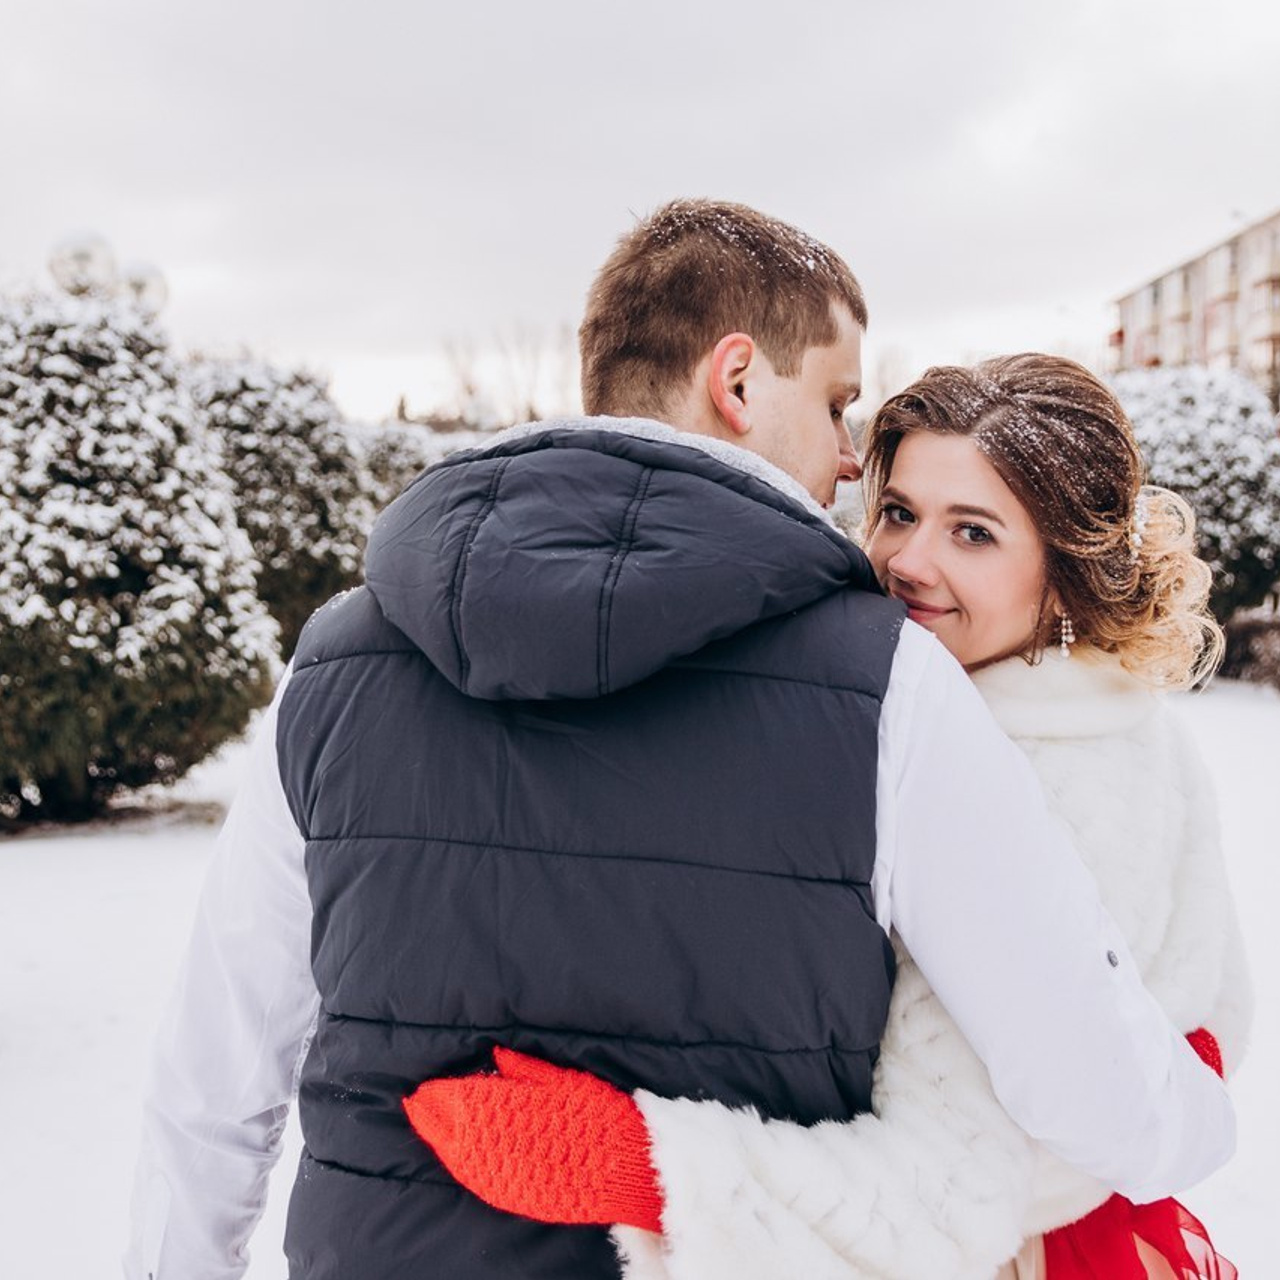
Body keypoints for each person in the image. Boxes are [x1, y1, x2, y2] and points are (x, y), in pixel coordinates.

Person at [125, 205, 1235, 1280]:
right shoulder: (882, 683)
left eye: (972, 529)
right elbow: (1089, 1089)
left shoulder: (333, 659)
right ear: (738, 379)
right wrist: (1195, 1112)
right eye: (840, 404)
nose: (850, 462)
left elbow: (214, 1082)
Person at [405, 355, 1253, 1279]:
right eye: (899, 513)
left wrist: (648, 1165)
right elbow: (1212, 1019)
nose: (910, 562)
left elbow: (952, 1191)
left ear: (1064, 572)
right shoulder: (1109, 714)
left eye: (974, 533)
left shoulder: (1041, 775)